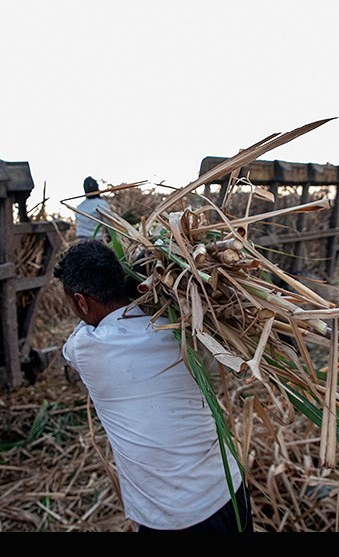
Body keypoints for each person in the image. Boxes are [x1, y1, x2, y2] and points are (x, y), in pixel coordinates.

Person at [53, 240, 253, 532]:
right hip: (230, 491)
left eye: (72, 303)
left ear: (81, 302)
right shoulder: (186, 330)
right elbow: (213, 366)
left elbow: (72, 343)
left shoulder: (87, 349)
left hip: (175, 517)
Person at [75, 176, 112, 241]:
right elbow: (109, 224)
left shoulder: (80, 207)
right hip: (98, 240)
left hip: (81, 241)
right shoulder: (102, 204)